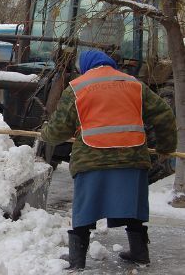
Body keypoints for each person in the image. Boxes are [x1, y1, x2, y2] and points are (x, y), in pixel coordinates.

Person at [41, 50, 177, 270]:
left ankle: (77, 259)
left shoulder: (77, 87)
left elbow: (59, 130)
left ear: (84, 66)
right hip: (133, 159)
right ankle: (139, 252)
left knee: (85, 209)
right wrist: (165, 147)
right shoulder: (134, 84)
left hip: (93, 159)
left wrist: (45, 133)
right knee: (133, 206)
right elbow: (165, 114)